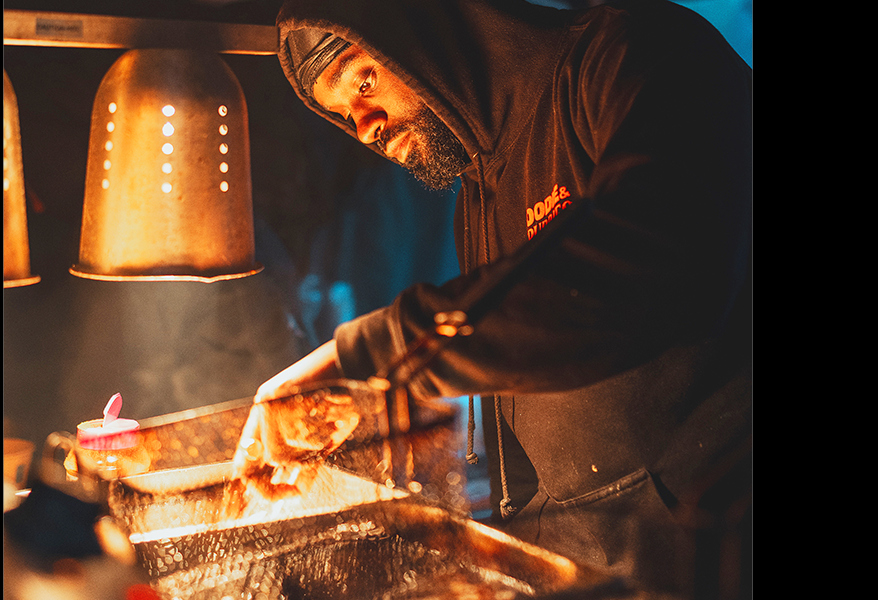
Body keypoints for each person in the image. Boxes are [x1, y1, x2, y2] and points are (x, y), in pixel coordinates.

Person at [234, 0, 752, 593]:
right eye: (343, 113)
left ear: (428, 28)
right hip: (603, 566)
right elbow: (529, 381)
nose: (365, 125)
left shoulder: (632, 52)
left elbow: (663, 261)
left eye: (364, 80)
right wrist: (377, 415)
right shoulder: (478, 190)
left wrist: (371, 355)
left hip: (716, 548)